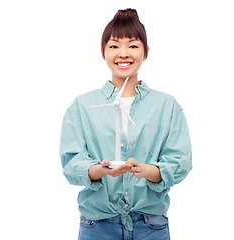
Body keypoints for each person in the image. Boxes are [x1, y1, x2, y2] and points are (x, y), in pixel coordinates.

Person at [60, 8, 192, 240]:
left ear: (146, 51)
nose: (123, 53)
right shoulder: (81, 106)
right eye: (114, 46)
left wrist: (147, 171)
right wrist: (100, 170)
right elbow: (72, 163)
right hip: (97, 226)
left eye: (132, 45)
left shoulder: (167, 105)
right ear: (103, 52)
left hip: (151, 227)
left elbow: (180, 160)